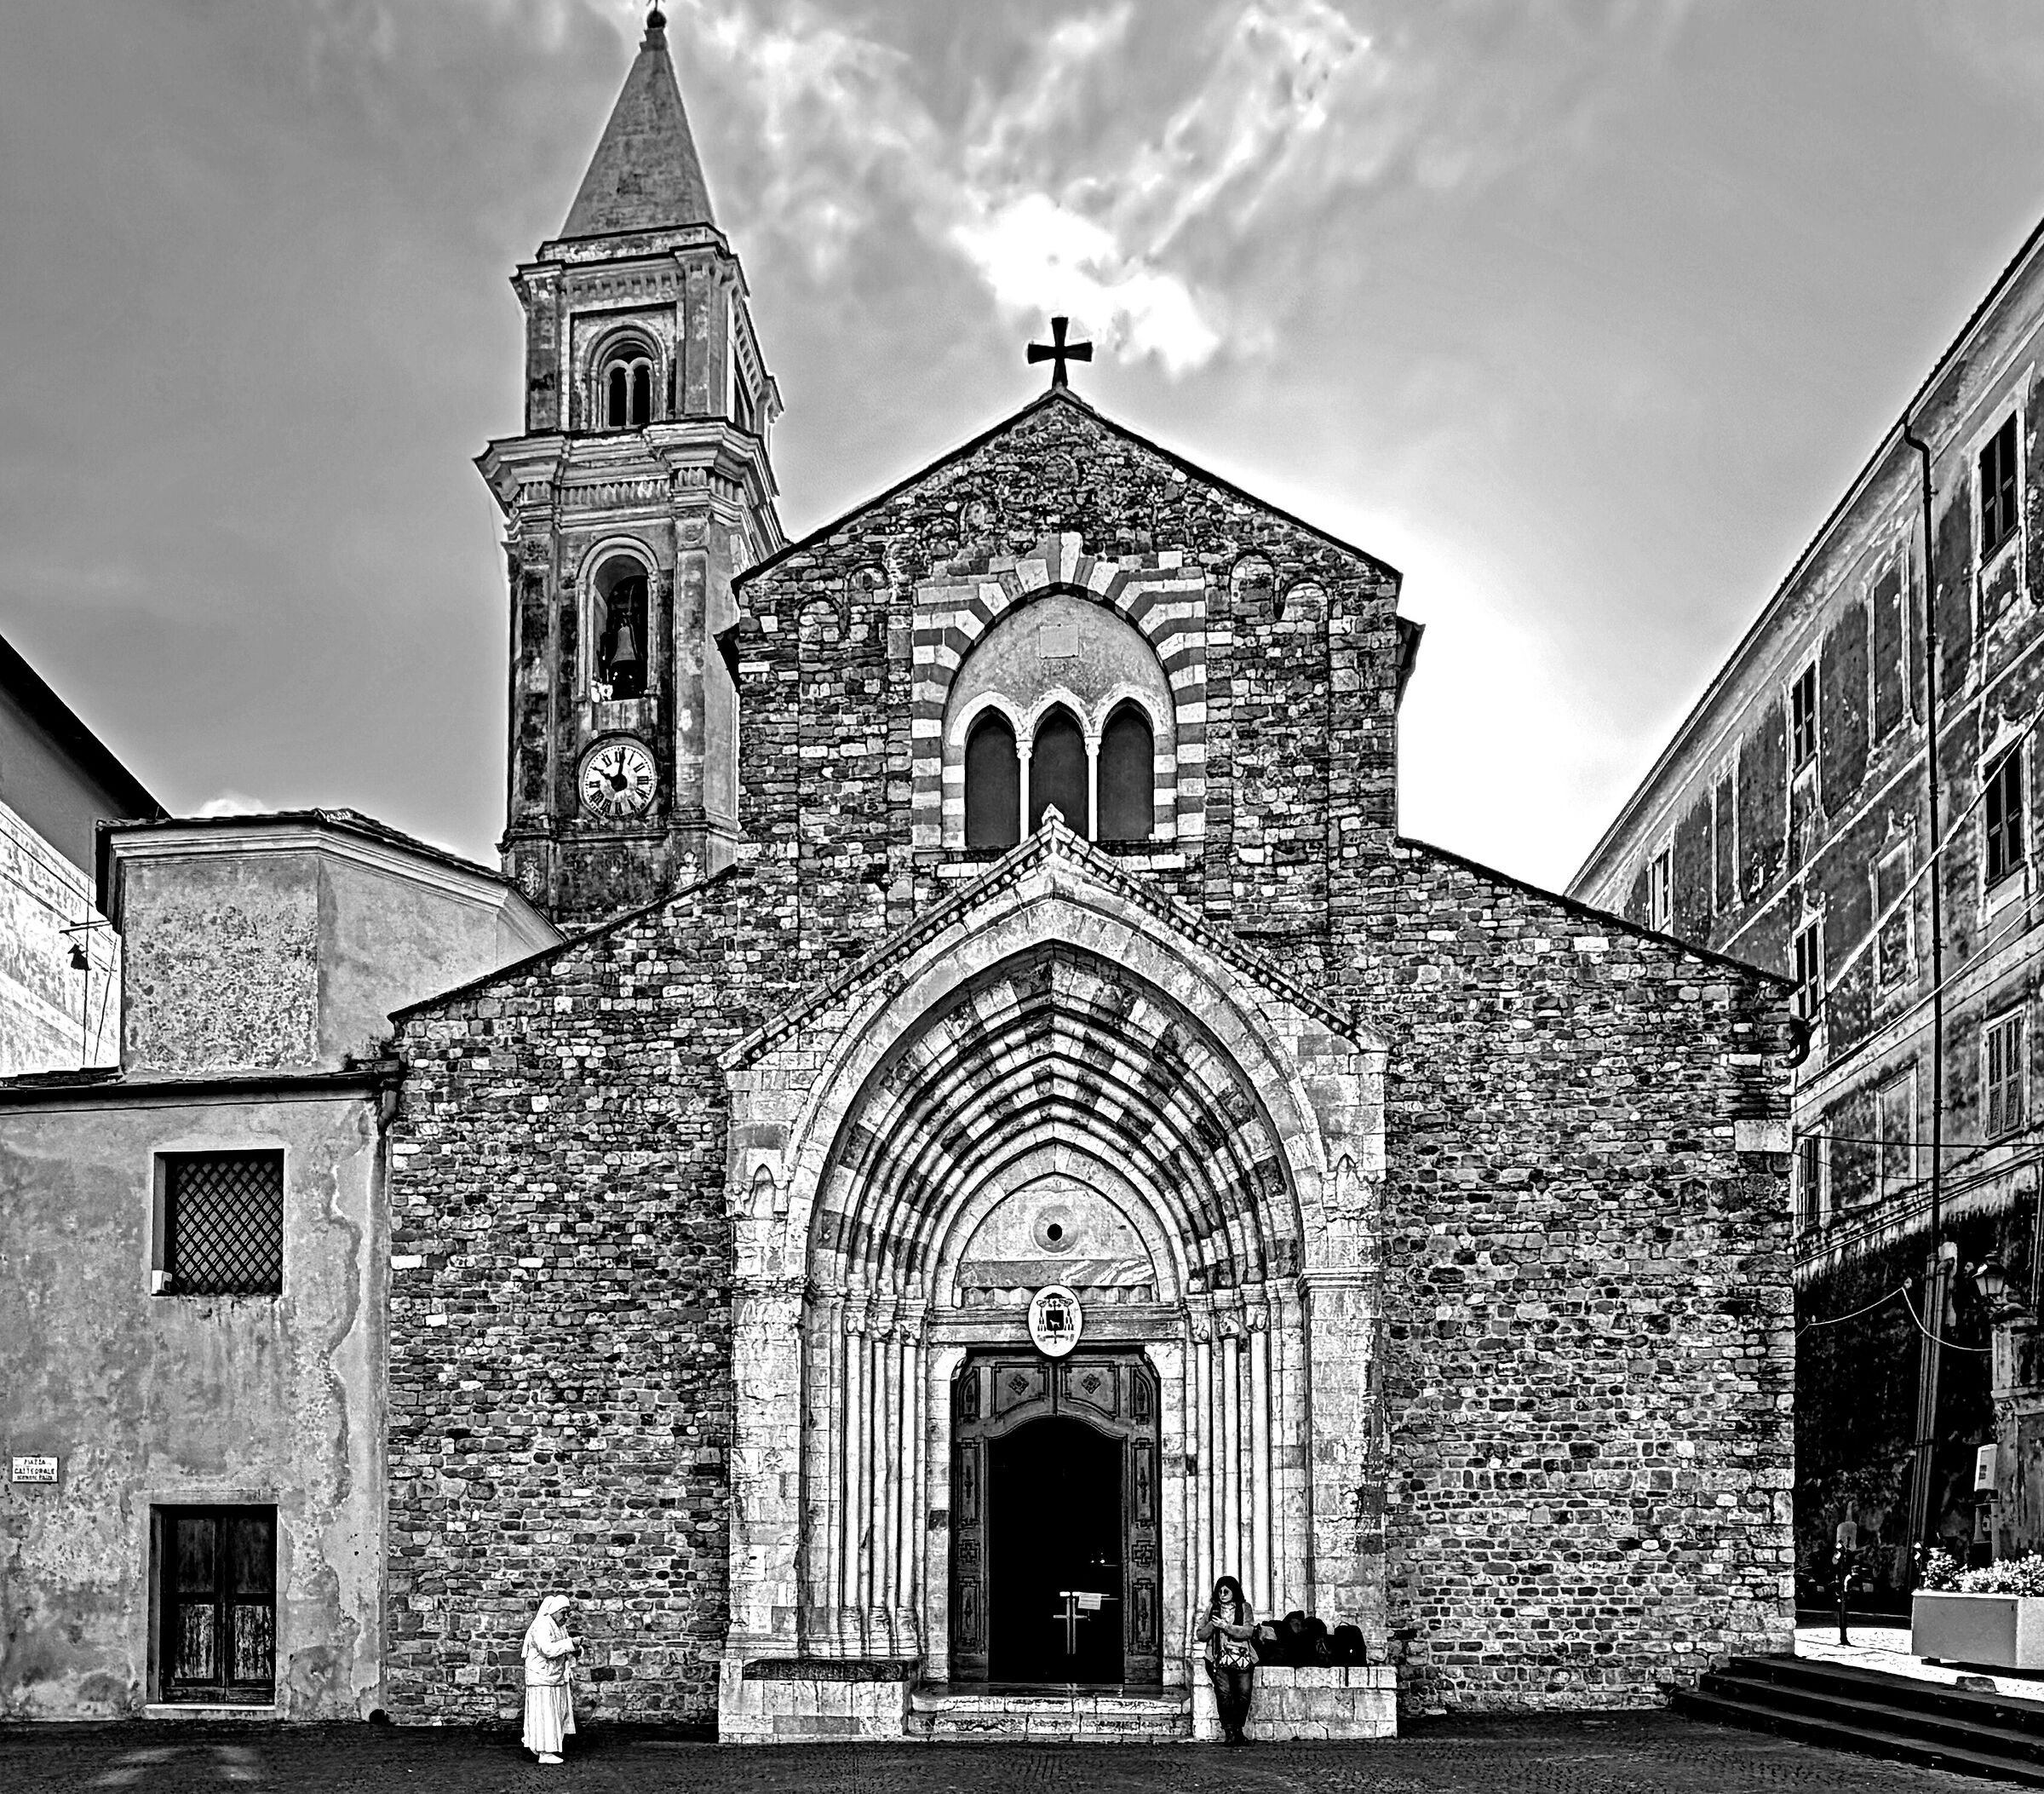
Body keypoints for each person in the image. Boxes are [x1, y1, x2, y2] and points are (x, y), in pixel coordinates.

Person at [1196, 1574, 1258, 1745]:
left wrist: (1226, 1627)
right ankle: (1229, 1731)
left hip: (1242, 1658)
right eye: (1220, 1591)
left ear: (1234, 1592)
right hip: (1218, 1658)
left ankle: (1239, 1730)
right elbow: (1200, 1634)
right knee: (1224, 1695)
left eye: (1226, 1591)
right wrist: (1212, 1625)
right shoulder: (1212, 1609)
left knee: (1243, 1695)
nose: (1222, 1594)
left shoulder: (1244, 1608)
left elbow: (1248, 1631)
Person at [520, 1594, 578, 1765]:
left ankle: (550, 1747)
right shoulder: (541, 1626)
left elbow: (564, 1648)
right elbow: (548, 1650)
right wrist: (571, 1644)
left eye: (568, 1613)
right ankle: (545, 1752)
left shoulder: (560, 1627)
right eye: (563, 1613)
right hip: (542, 1678)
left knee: (557, 1714)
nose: (566, 1617)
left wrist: (575, 1648)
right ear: (553, 1611)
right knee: (545, 1715)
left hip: (554, 1677)